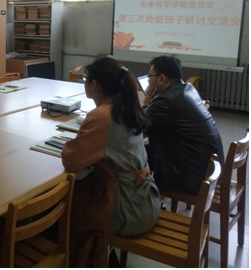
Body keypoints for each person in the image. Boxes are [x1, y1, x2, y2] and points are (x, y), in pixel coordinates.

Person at [61, 57, 160, 267]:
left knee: (63, 205)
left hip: (127, 208)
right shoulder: (126, 106)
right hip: (146, 198)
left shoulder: (101, 116)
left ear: (95, 85)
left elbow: (71, 161)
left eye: (86, 80)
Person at [143, 55, 224, 194]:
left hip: (193, 177)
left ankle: (141, 199)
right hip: (208, 168)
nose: (148, 81)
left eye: (149, 76)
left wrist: (146, 104)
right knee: (146, 150)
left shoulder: (166, 101)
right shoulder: (188, 88)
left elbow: (137, 127)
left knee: (133, 156)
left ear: (161, 78)